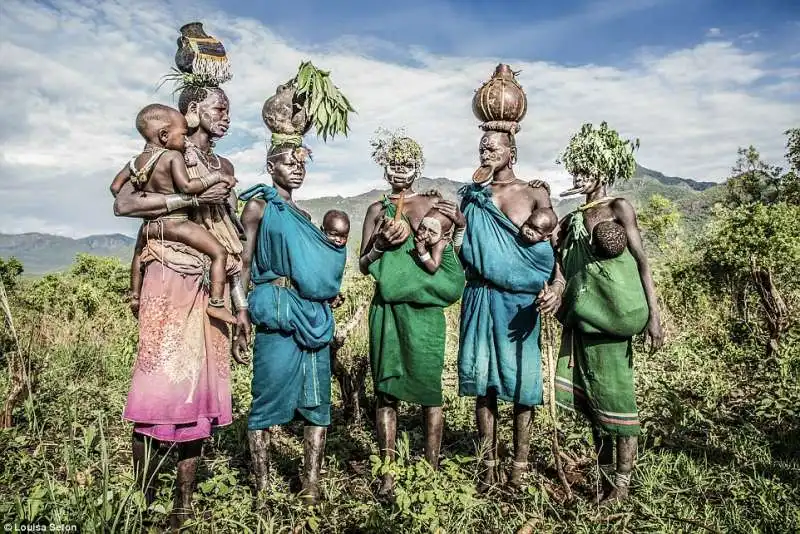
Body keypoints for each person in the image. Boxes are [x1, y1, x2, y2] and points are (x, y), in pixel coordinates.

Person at [111, 22, 248, 528]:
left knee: (201, 392)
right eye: (218, 107)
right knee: (160, 381)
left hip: (208, 282)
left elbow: (231, 237)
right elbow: (125, 203)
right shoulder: (166, 156)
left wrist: (239, 305)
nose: (225, 115)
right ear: (191, 112)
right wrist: (190, 197)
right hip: (168, 278)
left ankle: (184, 505)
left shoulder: (223, 163)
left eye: (229, 108)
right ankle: (140, 496)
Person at [236, 62, 354, 506]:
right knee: (266, 398)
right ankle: (263, 488)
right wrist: (240, 310)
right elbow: (242, 262)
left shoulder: (306, 218)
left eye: (302, 161)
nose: (297, 168)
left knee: (317, 401)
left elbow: (320, 269)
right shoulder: (259, 207)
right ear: (271, 164)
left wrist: (328, 290)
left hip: (314, 315)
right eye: (288, 161)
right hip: (276, 308)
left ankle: (310, 483)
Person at [542, 122, 664, 505]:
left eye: (586, 169)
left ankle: (622, 486)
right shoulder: (570, 219)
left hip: (616, 321)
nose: (579, 176)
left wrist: (655, 316)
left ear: (603, 171)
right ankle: (603, 476)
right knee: (595, 403)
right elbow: (561, 269)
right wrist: (554, 292)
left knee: (619, 401)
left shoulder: (618, 208)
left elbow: (642, 262)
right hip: (584, 322)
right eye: (575, 169)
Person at [457, 65, 556, 491]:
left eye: (493, 147)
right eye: (482, 147)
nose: (485, 153)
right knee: (484, 383)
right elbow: (462, 249)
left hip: (522, 305)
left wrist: (557, 288)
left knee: (522, 383)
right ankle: (488, 463)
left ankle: (519, 464)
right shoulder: (472, 195)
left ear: (510, 151)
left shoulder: (536, 193)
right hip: (481, 296)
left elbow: (553, 253)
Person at [359, 129, 466, 498]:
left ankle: (431, 470)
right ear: (384, 167)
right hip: (387, 312)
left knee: (429, 392)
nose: (399, 170)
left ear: (417, 167)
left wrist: (460, 230)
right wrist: (379, 245)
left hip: (425, 317)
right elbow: (362, 264)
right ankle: (387, 474)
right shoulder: (376, 210)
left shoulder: (433, 206)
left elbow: (452, 257)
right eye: (393, 163)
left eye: (407, 164)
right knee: (386, 393)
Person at [111, 103, 237, 324]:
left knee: (138, 254)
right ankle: (217, 304)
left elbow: (115, 189)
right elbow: (188, 187)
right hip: (176, 223)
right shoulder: (172, 157)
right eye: (182, 134)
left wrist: (144, 189)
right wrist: (215, 179)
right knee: (218, 252)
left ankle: (134, 295)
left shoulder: (134, 162)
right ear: (164, 135)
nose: (185, 140)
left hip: (150, 225)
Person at [414, 206, 456, 274]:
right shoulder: (435, 238)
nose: (425, 234)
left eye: (432, 232)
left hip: (450, 276)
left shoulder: (440, 244)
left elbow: (433, 268)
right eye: (422, 228)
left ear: (445, 235)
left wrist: (422, 250)